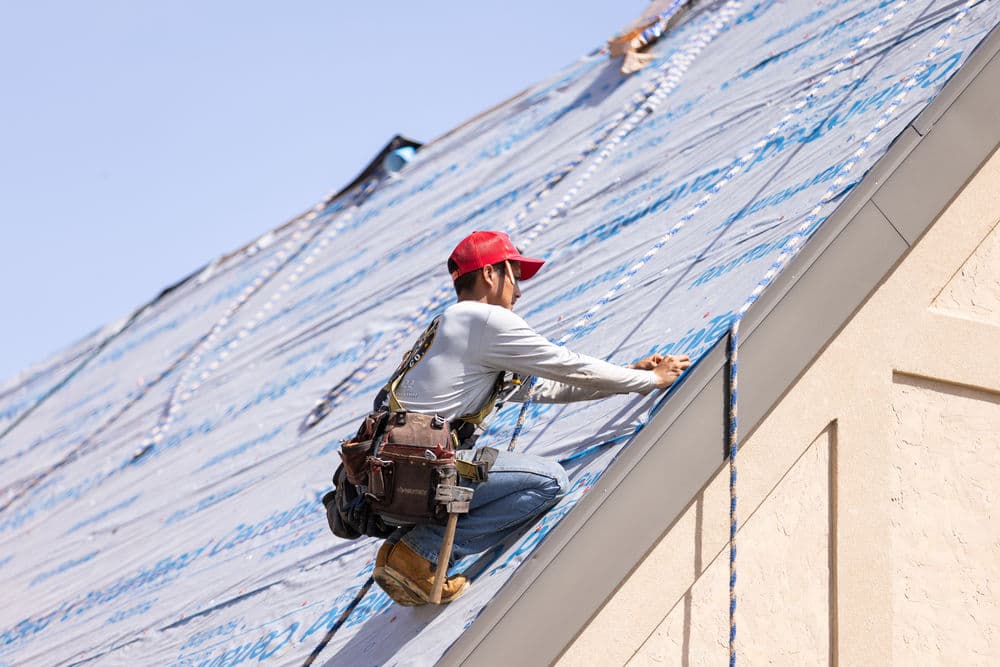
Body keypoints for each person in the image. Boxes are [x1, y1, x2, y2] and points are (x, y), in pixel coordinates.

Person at [372, 230, 690, 606]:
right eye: (515, 276)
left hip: (398, 474)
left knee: (502, 473)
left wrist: (628, 374)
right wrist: (650, 380)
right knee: (549, 481)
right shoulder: (484, 320)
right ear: (491, 274)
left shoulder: (454, 327)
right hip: (423, 468)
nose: (519, 291)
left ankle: (400, 552)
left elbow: (546, 389)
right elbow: (566, 366)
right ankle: (421, 553)